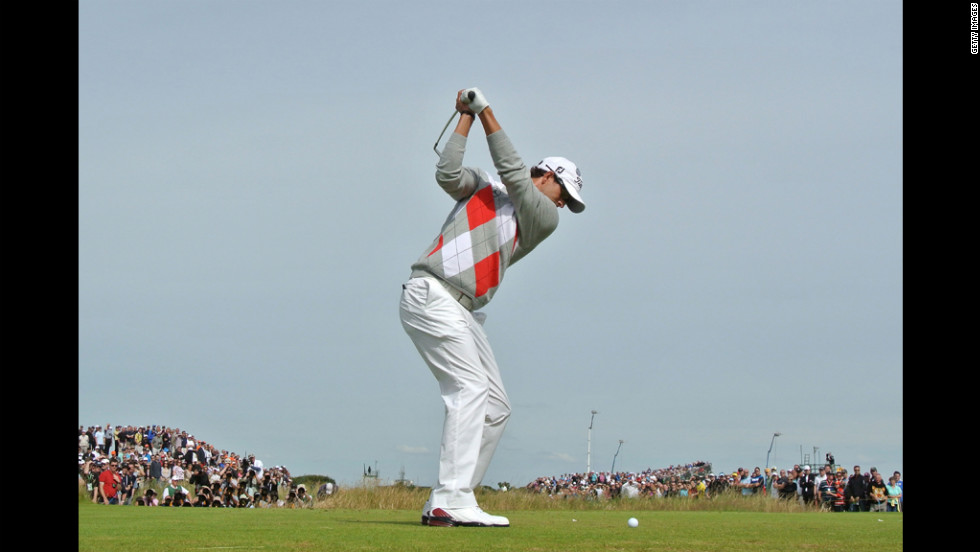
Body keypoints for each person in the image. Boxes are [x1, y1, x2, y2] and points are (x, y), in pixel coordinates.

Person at [400, 87, 586, 529]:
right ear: (549, 175)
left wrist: (486, 111)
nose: (564, 204)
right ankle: (451, 498)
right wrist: (464, 116)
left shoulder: (543, 217)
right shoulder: (487, 185)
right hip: (433, 292)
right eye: (565, 192)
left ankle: (453, 498)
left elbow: (515, 175)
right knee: (470, 389)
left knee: (496, 406)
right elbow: (448, 174)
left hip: (461, 309)